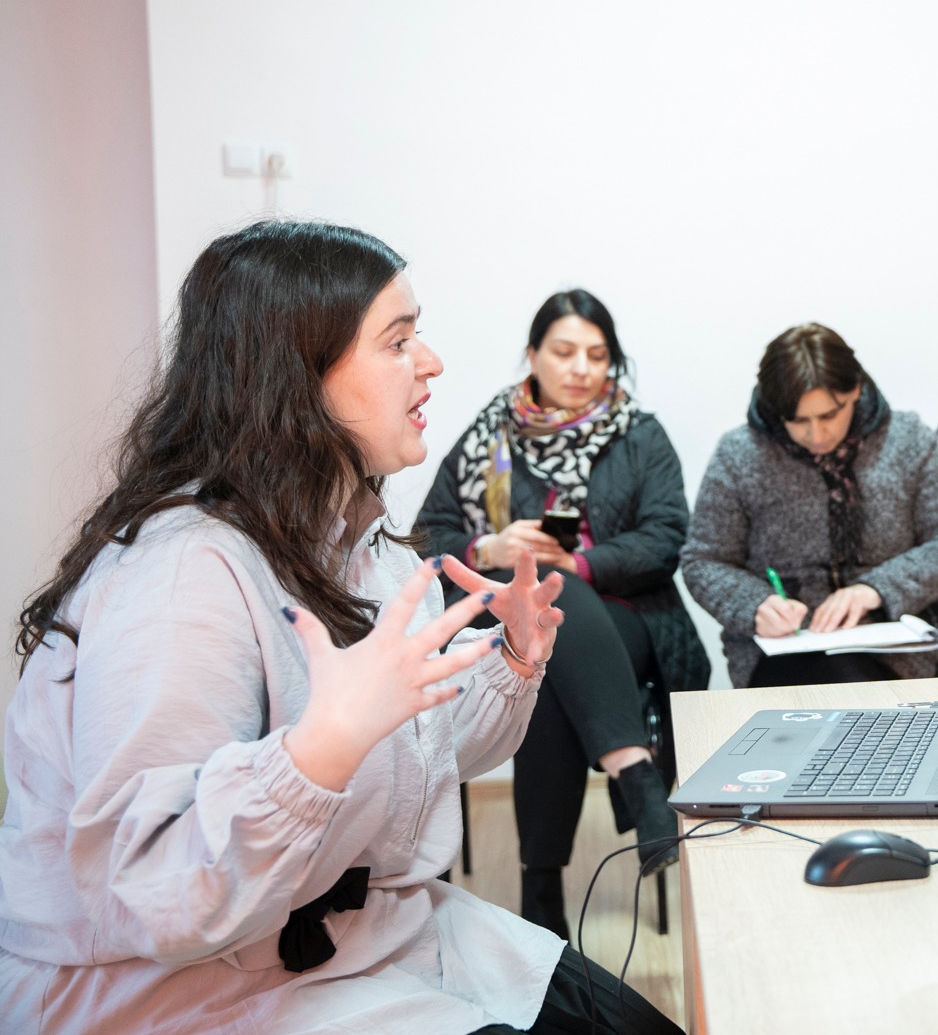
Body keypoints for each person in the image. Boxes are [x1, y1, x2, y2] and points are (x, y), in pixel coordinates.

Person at [0, 221, 679, 1034]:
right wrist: (320, 749)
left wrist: (510, 658)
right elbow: (153, 896)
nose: (431, 361)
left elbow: (432, 751)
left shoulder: (363, 538)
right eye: (398, 341)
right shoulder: (182, 572)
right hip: (176, 982)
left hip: (351, 929)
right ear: (297, 374)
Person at [416, 290, 703, 942]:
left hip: (627, 617)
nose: (581, 368)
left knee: (551, 614)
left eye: (597, 355)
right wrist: (489, 548)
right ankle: (636, 777)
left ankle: (539, 886)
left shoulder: (640, 434)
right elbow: (427, 536)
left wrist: (581, 565)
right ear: (533, 354)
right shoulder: (489, 434)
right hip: (518, 621)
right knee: (542, 637)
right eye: (565, 351)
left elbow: (666, 537)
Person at [683, 323, 938, 688]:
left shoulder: (908, 441)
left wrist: (875, 589)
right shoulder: (740, 454)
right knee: (838, 685)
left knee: (855, 686)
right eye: (798, 421)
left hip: (893, 648)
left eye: (829, 415)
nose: (817, 434)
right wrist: (754, 604)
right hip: (780, 650)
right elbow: (704, 559)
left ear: (856, 390)